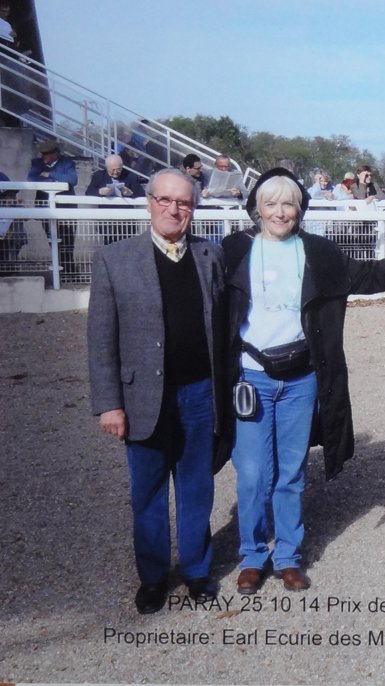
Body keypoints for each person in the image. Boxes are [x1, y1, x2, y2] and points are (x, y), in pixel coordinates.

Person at [221, 167, 385, 595]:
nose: (280, 212)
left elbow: (371, 276)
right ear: (257, 208)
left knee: (291, 472)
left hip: (301, 379)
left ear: (300, 209)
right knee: (253, 473)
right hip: (251, 378)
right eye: (271, 204)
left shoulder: (319, 252)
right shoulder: (233, 251)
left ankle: (287, 556)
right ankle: (253, 555)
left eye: (289, 204)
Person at [87, 169, 226, 614]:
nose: (174, 209)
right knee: (147, 493)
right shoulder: (114, 259)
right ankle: (153, 577)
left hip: (199, 393)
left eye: (183, 202)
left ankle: (197, 570)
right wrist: (109, 403)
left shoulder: (210, 255)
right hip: (142, 399)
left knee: (196, 488)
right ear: (149, 203)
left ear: (193, 209)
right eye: (165, 200)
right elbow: (101, 339)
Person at [28, 140, 78, 274]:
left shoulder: (67, 162)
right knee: (53, 241)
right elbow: (32, 179)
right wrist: (55, 180)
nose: (45, 157)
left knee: (68, 241)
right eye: (43, 154)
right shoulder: (37, 163)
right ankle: (59, 272)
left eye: (48, 154)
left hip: (66, 208)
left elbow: (72, 180)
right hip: (46, 208)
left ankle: (69, 271)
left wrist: (50, 174)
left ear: (55, 154)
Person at [85, 154, 146, 244]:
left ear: (122, 166)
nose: (116, 172)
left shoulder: (131, 176)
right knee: (109, 246)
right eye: (112, 170)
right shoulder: (98, 176)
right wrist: (100, 192)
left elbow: (141, 195)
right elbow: (88, 192)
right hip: (107, 221)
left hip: (126, 222)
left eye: (119, 169)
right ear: (107, 167)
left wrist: (130, 193)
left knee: (127, 246)